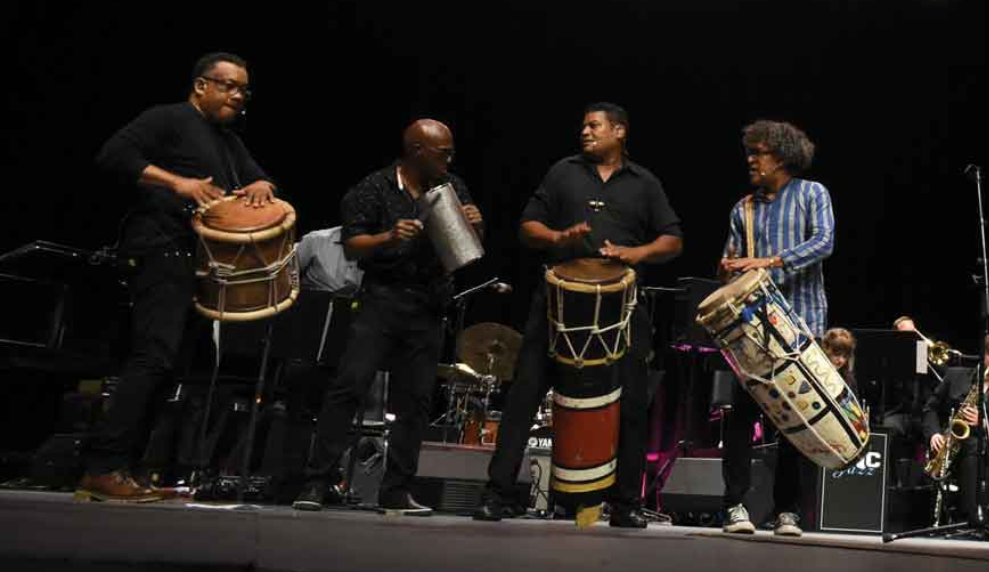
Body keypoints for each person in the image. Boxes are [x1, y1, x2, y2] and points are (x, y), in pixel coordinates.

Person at [474, 103, 682, 529]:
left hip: (620, 309)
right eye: (583, 126)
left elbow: (673, 239)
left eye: (594, 125)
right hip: (557, 306)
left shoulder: (644, 183)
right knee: (523, 395)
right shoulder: (563, 172)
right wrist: (558, 236)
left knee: (633, 407)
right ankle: (496, 494)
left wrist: (636, 253)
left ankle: (625, 503)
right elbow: (527, 227)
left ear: (620, 131)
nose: (584, 132)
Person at [80, 52, 275, 502]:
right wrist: (176, 183)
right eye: (229, 86)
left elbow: (257, 178)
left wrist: (263, 184)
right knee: (153, 358)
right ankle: (101, 466)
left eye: (244, 89)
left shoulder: (227, 142)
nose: (238, 95)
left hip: (198, 262)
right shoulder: (166, 119)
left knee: (172, 368)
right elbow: (113, 155)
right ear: (201, 85)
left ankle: (129, 469)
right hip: (160, 249)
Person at [291, 119, 483, 515]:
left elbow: (466, 249)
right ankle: (316, 482)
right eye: (443, 151)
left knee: (415, 401)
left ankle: (396, 491)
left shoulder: (451, 187)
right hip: (382, 300)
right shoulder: (374, 187)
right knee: (348, 387)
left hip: (429, 304)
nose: (450, 158)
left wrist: (475, 225)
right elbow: (353, 246)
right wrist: (389, 237)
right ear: (417, 151)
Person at [717, 120, 834, 538]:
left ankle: (788, 511)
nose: (751, 159)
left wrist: (767, 263)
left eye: (759, 152)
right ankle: (734, 506)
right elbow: (731, 264)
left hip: (801, 324)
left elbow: (824, 243)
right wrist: (729, 268)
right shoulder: (742, 209)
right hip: (752, 329)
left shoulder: (812, 194)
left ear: (782, 157)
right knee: (740, 417)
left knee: (794, 423)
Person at [923, 332, 989, 523]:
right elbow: (930, 408)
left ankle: (973, 518)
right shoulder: (955, 375)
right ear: (983, 354)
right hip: (945, 441)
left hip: (984, 450)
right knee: (968, 447)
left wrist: (984, 424)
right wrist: (934, 433)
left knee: (972, 446)